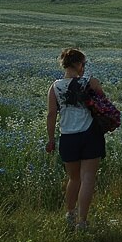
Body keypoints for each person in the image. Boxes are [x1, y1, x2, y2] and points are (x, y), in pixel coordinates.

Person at [46, 47, 106, 231]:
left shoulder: (55, 87)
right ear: (79, 64)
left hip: (68, 136)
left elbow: (51, 115)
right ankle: (82, 221)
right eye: (83, 64)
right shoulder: (91, 82)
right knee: (88, 177)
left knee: (73, 178)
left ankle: (70, 214)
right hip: (90, 134)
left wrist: (50, 139)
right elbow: (105, 105)